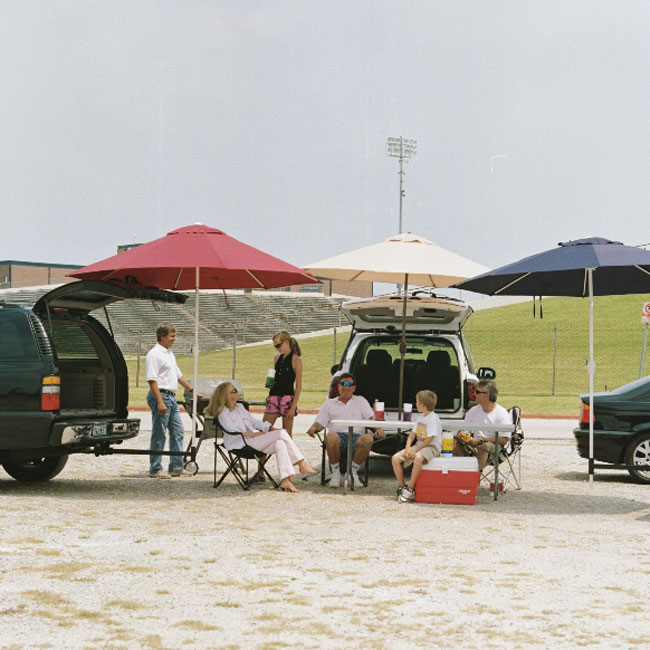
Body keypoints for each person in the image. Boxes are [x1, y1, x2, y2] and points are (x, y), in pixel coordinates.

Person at [205, 382, 318, 493]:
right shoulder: (223, 413)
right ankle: (301, 463)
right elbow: (231, 429)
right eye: (234, 391)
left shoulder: (239, 407)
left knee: (280, 443)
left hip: (252, 442)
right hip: (240, 444)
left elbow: (255, 422)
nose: (237, 392)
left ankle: (285, 480)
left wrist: (271, 429)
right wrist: (253, 434)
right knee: (282, 433)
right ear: (226, 395)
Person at [306, 372, 385, 488]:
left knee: (368, 438)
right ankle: (336, 473)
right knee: (331, 437)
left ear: (354, 388)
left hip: (357, 436)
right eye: (343, 384)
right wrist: (313, 428)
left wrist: (378, 429)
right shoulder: (329, 403)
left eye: (349, 384)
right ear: (338, 386)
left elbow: (371, 418)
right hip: (337, 436)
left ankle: (352, 473)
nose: (346, 387)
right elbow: (320, 422)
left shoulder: (361, 401)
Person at [247, 331, 303, 485]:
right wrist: (270, 383)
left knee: (286, 435)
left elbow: (298, 386)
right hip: (274, 396)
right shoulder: (277, 358)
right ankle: (260, 471)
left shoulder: (296, 360)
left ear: (287, 343)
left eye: (278, 345)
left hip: (287, 398)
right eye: (275, 346)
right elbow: (275, 379)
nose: (277, 348)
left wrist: (293, 407)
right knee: (264, 431)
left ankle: (287, 474)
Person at [146, 322, 196, 478]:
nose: (174, 339)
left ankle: (176, 466)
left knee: (178, 431)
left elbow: (178, 375)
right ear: (162, 337)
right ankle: (155, 468)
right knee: (159, 433)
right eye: (171, 336)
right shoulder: (154, 354)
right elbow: (152, 380)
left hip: (171, 397)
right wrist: (160, 401)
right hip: (161, 396)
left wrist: (192, 390)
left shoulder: (169, 353)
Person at [391, 390, 442, 503]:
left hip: (431, 447)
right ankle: (403, 486)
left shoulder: (433, 418)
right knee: (395, 458)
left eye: (417, 402)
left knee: (418, 458)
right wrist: (408, 448)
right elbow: (412, 434)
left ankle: (410, 488)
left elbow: (430, 439)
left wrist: (415, 451)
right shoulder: (421, 417)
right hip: (419, 445)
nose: (416, 404)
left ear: (423, 405)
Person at [453, 379, 511, 470]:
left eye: (477, 392)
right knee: (454, 441)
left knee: (485, 446)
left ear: (487, 395)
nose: (474, 394)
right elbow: (464, 430)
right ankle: (463, 472)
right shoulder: (473, 411)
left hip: (492, 446)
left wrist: (481, 441)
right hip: (473, 444)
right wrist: (461, 434)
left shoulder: (502, 413)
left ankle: (475, 476)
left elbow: (504, 440)